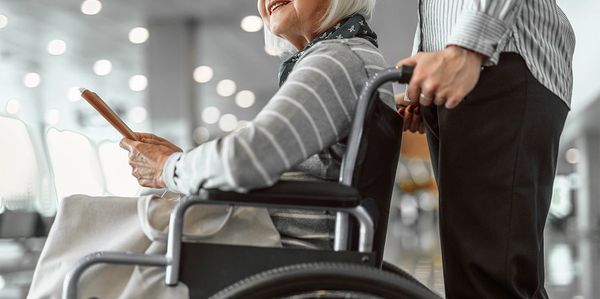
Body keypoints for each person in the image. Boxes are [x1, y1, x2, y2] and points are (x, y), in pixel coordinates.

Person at [29, 0, 394, 297]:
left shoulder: (337, 59)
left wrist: (170, 167)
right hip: (276, 241)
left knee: (85, 229)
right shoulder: (350, 58)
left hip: (279, 250)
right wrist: (182, 164)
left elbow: (246, 159)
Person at [396, 1, 575, 298]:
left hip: (498, 55)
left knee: (486, 282)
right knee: (481, 278)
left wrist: (467, 48)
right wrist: (428, 65)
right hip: (473, 63)